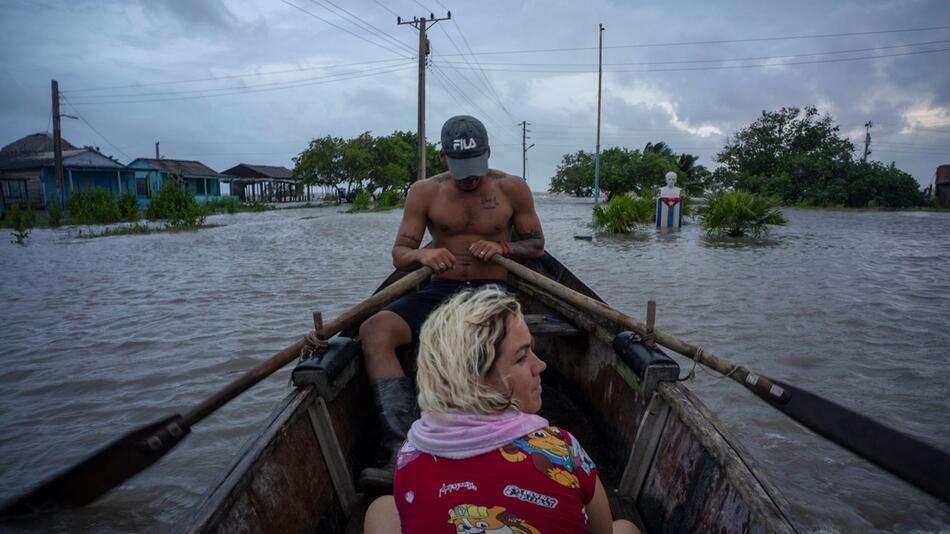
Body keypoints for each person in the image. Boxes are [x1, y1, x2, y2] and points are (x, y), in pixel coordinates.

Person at [358, 115, 545, 489]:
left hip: (493, 293)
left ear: (488, 153)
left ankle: (511, 440)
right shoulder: (424, 192)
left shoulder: (512, 188)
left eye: (475, 168)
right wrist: (423, 257)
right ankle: (402, 445)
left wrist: (503, 247)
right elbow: (400, 253)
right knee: (374, 330)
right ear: (443, 158)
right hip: (440, 291)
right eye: (460, 170)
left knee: (485, 343)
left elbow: (537, 245)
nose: (469, 179)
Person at [364, 286, 638, 534]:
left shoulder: (409, 454)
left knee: (382, 509)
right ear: (477, 378)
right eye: (521, 357)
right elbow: (603, 531)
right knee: (625, 527)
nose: (540, 365)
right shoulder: (562, 449)